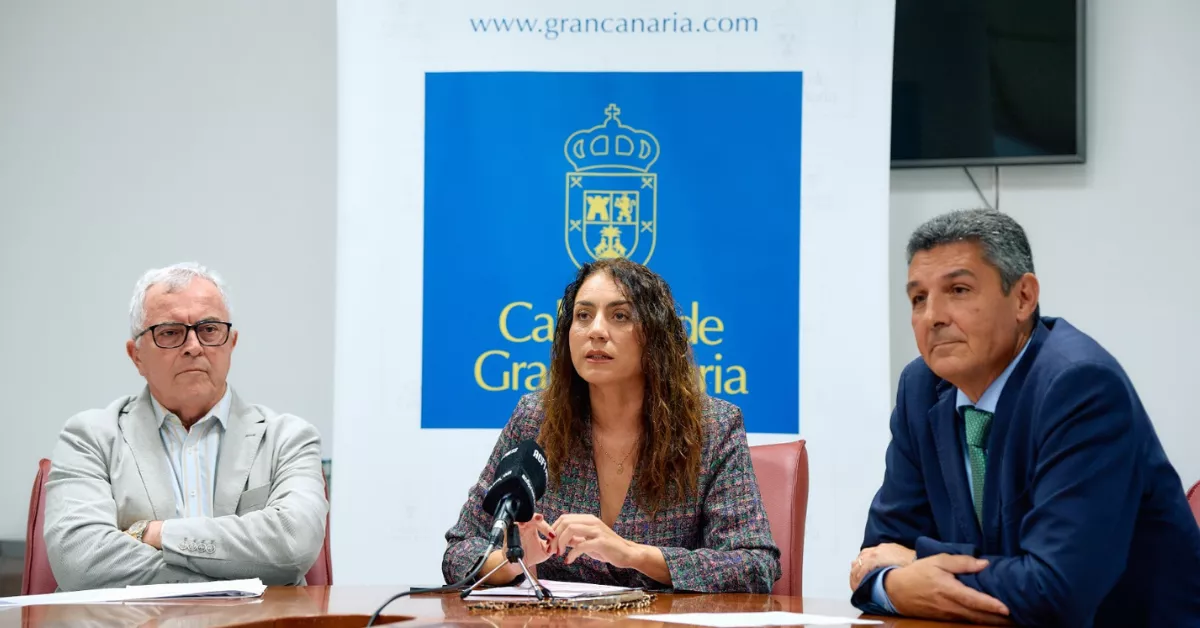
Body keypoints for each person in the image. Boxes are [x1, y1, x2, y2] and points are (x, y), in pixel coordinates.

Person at [849, 209, 1200, 626]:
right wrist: (893, 582)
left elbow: (1056, 590)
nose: (933, 317)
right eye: (918, 298)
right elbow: (875, 557)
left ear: (1023, 298)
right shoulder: (921, 388)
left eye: (958, 290)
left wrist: (915, 564)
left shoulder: (1080, 386)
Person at [442, 258, 781, 592]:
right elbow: (459, 553)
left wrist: (632, 554)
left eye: (620, 316)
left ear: (655, 337)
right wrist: (514, 557)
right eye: (583, 316)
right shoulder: (536, 419)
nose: (596, 331)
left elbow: (755, 565)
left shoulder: (712, 428)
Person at [43, 262, 328, 591]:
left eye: (209, 329)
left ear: (231, 343)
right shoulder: (89, 437)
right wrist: (231, 579)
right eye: (170, 332)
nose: (194, 346)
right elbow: (81, 561)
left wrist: (155, 534)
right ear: (136, 356)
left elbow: (294, 546)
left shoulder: (289, 438)